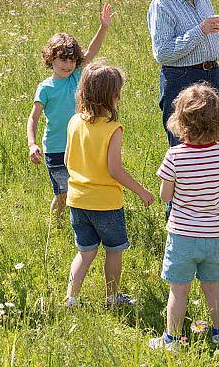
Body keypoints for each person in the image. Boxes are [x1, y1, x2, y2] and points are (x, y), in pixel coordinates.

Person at [149, 83, 219, 351]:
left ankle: (171, 340)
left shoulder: (175, 156)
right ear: (218, 119)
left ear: (180, 120)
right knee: (213, 287)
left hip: (183, 235)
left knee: (179, 290)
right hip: (215, 235)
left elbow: (165, 196)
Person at [64, 61, 155, 307]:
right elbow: (115, 170)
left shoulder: (74, 122)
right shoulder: (113, 129)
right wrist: (142, 191)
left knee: (85, 252)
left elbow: (66, 159)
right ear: (113, 96)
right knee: (114, 251)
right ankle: (112, 297)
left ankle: (71, 298)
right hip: (106, 204)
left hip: (77, 200)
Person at [147, 0, 219, 219]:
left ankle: (211, 205)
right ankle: (178, 213)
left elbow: (207, 36)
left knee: (212, 139)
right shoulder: (163, 4)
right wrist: (200, 30)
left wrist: (218, 50)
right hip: (182, 78)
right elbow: (163, 52)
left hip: (210, 73)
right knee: (182, 145)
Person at [27, 4, 112, 218]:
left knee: (80, 190)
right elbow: (34, 117)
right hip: (55, 149)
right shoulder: (45, 87)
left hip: (80, 144)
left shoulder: (77, 76)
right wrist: (32, 144)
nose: (68, 64)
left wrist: (103, 27)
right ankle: (56, 223)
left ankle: (80, 221)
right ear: (51, 59)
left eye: (72, 60)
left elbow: (92, 51)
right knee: (63, 192)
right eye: (63, 59)